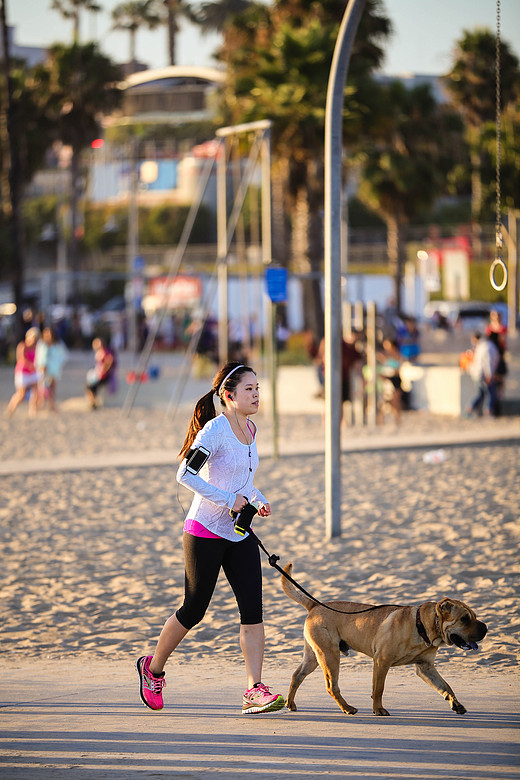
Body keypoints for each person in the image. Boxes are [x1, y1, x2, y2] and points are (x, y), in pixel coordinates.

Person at [135, 361, 285, 715]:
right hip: (203, 531)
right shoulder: (215, 431)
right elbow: (184, 474)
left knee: (253, 611)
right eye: (249, 389)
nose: (257, 394)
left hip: (237, 532)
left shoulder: (251, 430)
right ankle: (152, 669)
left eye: (258, 388)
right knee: (194, 609)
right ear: (228, 396)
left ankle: (253, 689)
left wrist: (257, 500)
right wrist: (228, 499)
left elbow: (243, 481)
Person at [5, 327, 40, 418]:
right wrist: (31, 366)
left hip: (32, 372)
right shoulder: (22, 346)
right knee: (21, 394)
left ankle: (33, 411)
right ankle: (11, 409)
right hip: (23, 372)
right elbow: (21, 359)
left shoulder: (36, 347)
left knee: (36, 391)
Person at [466, 332, 500, 418]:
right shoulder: (489, 346)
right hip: (483, 374)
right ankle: (488, 411)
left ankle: (471, 408)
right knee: (491, 393)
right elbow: (488, 361)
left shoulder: (481, 346)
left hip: (477, 373)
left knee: (481, 394)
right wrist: (489, 374)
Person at [35, 326, 68, 412]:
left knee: (52, 388)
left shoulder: (58, 343)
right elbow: (39, 357)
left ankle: (51, 404)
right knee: (42, 388)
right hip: (43, 369)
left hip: (54, 369)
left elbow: (64, 355)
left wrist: (59, 364)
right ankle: (39, 404)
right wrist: (40, 366)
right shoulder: (41, 344)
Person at [85, 337, 115, 409]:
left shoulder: (105, 352)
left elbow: (110, 361)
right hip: (100, 375)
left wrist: (104, 370)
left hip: (104, 376)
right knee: (90, 385)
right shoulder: (100, 352)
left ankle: (93, 402)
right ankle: (93, 401)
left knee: (89, 386)